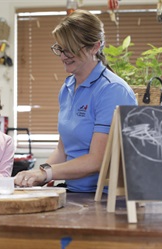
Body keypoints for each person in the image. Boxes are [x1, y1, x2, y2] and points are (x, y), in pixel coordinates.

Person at [14, 9, 137, 192]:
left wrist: (46, 173)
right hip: (74, 192)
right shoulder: (68, 87)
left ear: (95, 47)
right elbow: (62, 151)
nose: (63, 56)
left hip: (103, 197)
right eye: (60, 49)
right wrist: (35, 173)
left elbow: (97, 160)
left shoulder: (112, 91)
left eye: (70, 49)